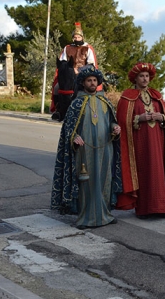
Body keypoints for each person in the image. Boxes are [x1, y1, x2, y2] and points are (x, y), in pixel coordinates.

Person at [51, 66, 123, 229]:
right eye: (89, 80)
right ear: (83, 83)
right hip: (85, 152)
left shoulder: (105, 101)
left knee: (105, 181)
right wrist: (74, 136)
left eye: (94, 80)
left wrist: (115, 127)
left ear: (98, 83)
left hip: (105, 150)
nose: (92, 83)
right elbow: (68, 128)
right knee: (86, 183)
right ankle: (85, 218)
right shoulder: (76, 103)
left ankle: (105, 215)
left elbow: (111, 120)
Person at [116, 62, 165, 219]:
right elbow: (122, 121)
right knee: (143, 173)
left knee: (158, 172)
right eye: (141, 76)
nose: (145, 79)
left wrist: (162, 117)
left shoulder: (156, 96)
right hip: (139, 144)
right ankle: (144, 210)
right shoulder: (127, 97)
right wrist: (139, 118)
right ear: (136, 78)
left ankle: (162, 208)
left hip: (157, 143)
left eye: (147, 76)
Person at [51, 22, 98, 120]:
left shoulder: (87, 48)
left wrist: (79, 70)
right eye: (75, 37)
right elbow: (63, 61)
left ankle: (91, 110)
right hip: (69, 75)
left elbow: (91, 64)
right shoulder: (67, 48)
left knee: (88, 88)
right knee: (56, 88)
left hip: (83, 75)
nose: (76, 39)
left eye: (78, 37)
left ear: (82, 37)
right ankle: (58, 110)